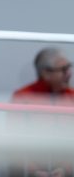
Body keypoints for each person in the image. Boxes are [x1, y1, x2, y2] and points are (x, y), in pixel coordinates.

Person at [9, 47, 74, 177]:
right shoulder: (23, 97)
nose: (69, 73)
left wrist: (66, 168)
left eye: (69, 67)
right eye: (63, 69)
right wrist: (33, 170)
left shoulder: (72, 96)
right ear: (45, 73)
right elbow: (14, 139)